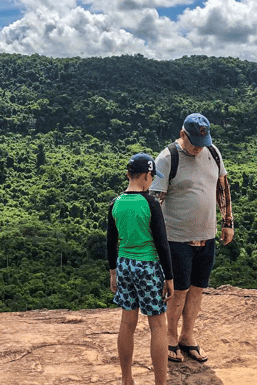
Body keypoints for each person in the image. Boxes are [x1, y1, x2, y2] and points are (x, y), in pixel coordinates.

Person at [150, 113, 234, 363]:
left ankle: (188, 336)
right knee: (178, 292)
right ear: (182, 134)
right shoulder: (167, 159)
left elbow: (223, 186)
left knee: (197, 289)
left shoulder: (213, 152)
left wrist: (228, 222)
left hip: (206, 236)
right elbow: (155, 201)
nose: (199, 146)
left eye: (203, 140)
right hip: (176, 239)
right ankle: (171, 338)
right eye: (195, 141)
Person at [107, 152, 175, 385]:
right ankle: (160, 383)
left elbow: (110, 241)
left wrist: (113, 271)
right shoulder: (150, 203)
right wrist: (169, 277)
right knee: (157, 324)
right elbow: (162, 243)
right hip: (148, 267)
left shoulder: (115, 203)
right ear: (147, 176)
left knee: (127, 322)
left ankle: (127, 379)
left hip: (124, 264)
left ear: (128, 174)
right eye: (151, 177)